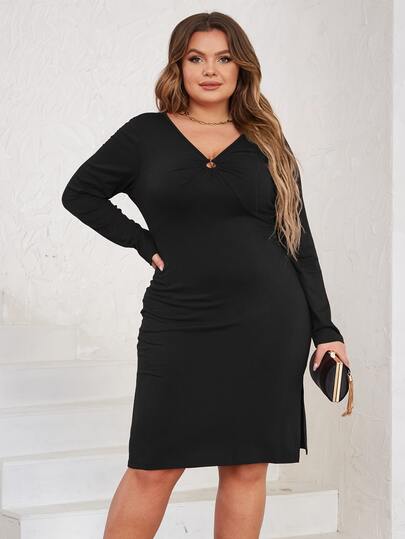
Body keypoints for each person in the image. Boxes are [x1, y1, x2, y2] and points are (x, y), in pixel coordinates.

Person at [61, 11, 350, 539]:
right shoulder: (145, 135)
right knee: (153, 464)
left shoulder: (268, 140)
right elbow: (79, 193)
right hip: (180, 317)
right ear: (179, 65)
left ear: (242, 68)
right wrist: (142, 241)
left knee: (247, 464)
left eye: (223, 58)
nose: (210, 70)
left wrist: (325, 329)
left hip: (268, 321)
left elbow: (298, 238)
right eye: (196, 58)